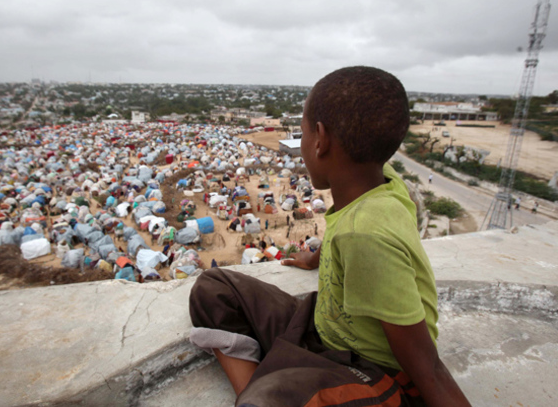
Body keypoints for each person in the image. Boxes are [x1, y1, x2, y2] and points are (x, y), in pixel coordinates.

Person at [188, 66, 469, 406]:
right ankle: (264, 385)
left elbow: (428, 367)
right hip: (324, 325)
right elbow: (347, 228)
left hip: (371, 370)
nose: (301, 144)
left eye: (302, 133)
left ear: (320, 139)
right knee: (213, 288)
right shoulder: (380, 180)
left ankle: (263, 390)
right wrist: (316, 257)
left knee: (265, 402)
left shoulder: (366, 236)